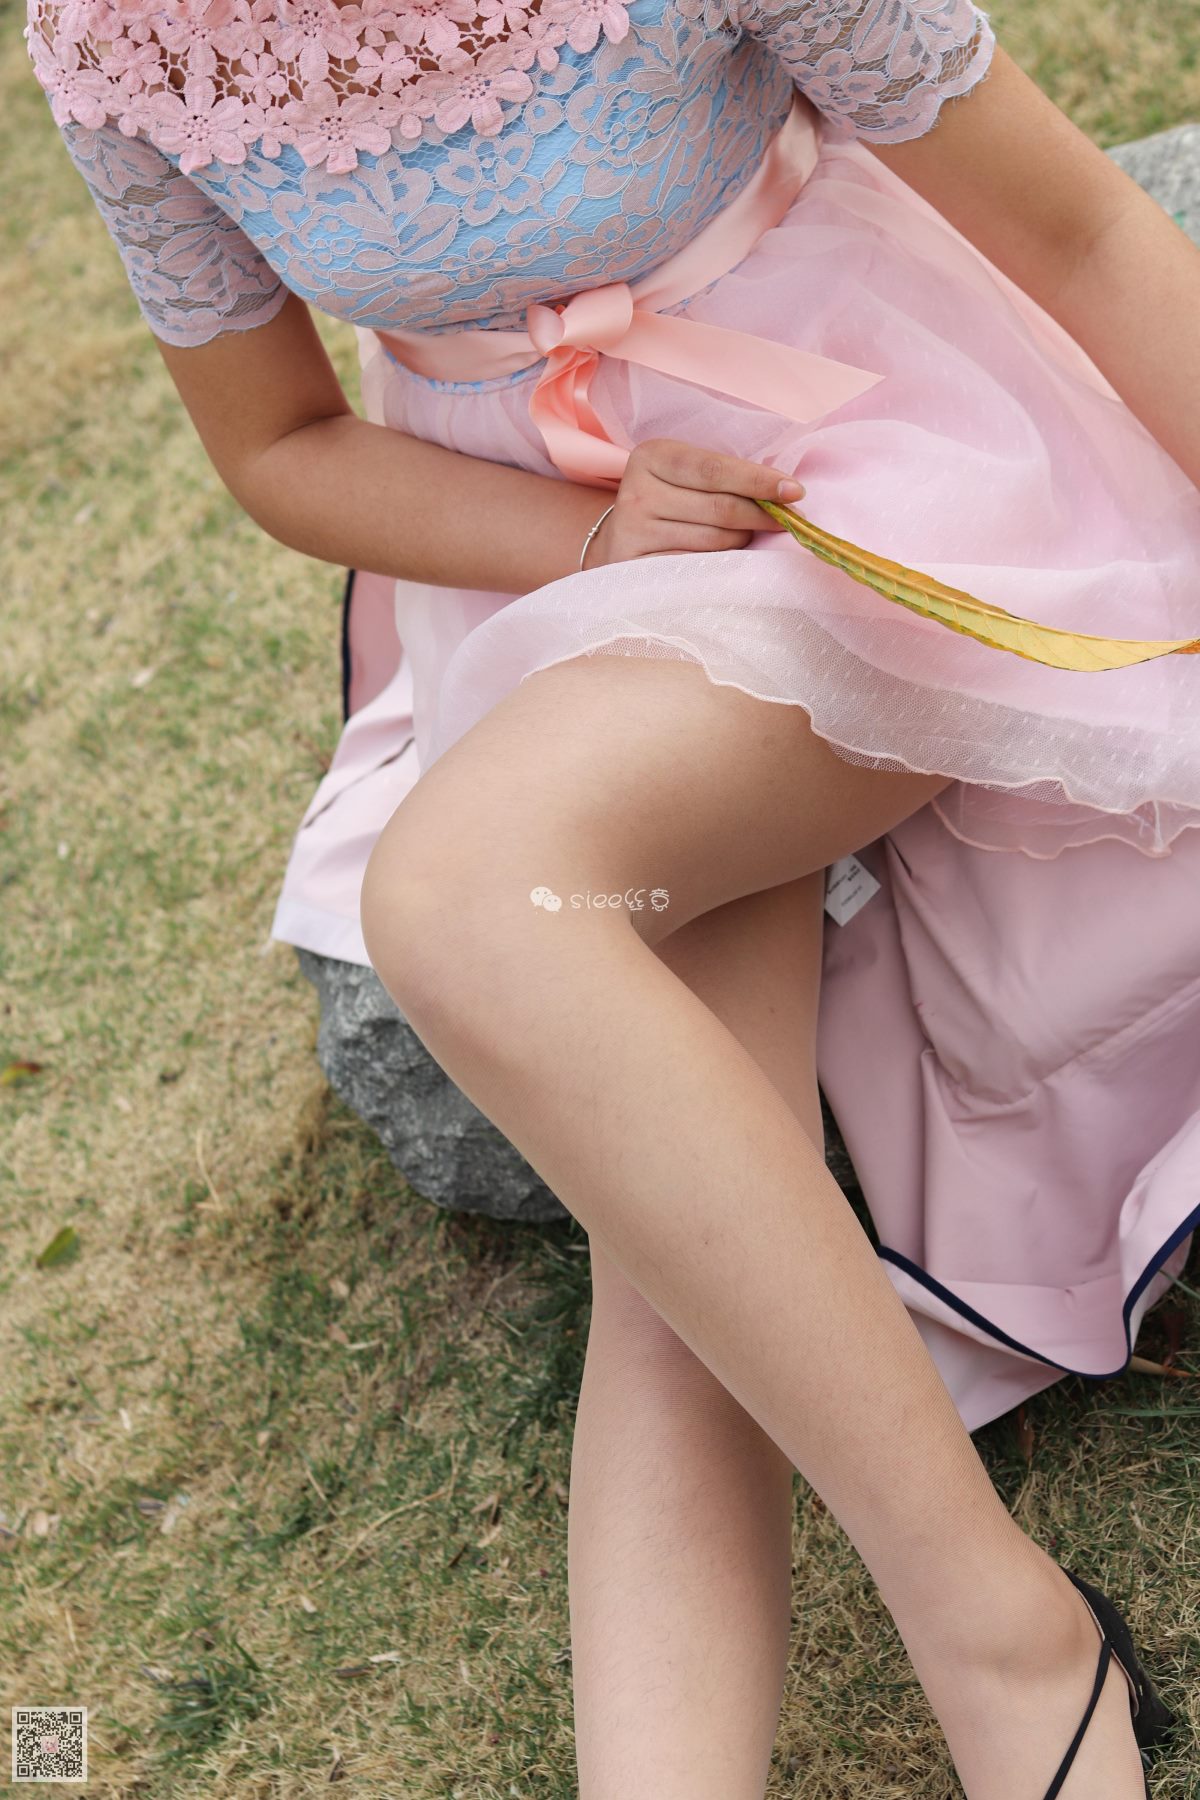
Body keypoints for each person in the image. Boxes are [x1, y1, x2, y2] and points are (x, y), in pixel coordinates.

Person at [26, 0, 1199, 1791]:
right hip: (562, 578)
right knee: (680, 1275)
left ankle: (1004, 1635)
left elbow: (1086, 228)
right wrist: (577, 539)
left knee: (472, 902)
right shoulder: (126, 43)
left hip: (854, 485)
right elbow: (278, 447)